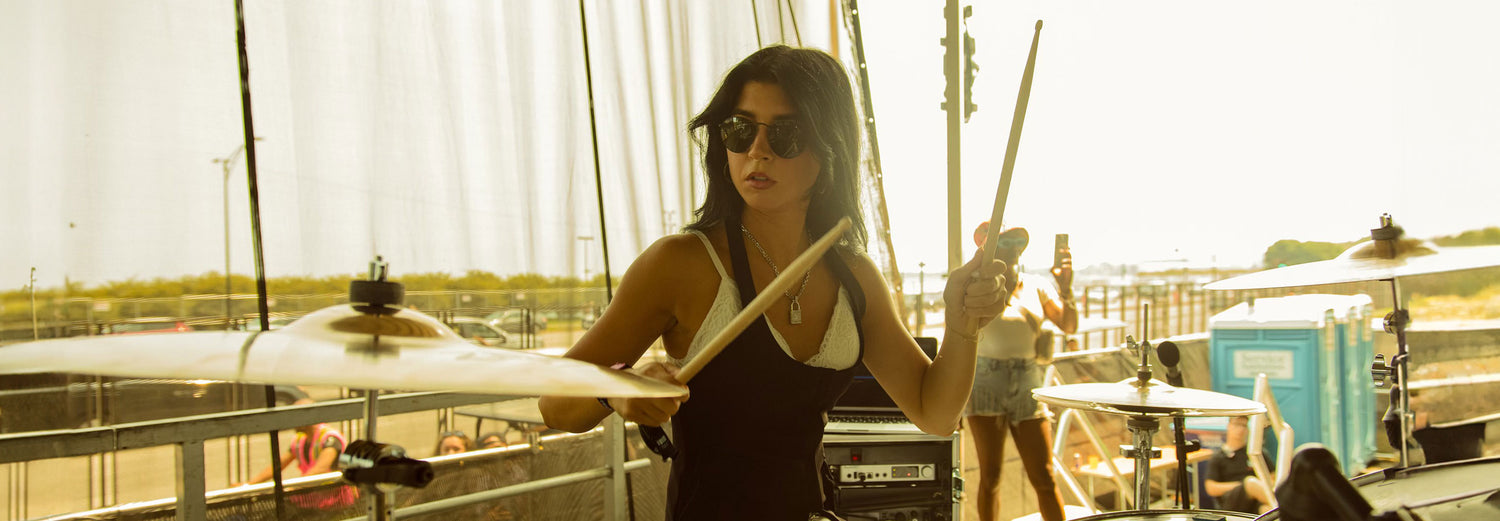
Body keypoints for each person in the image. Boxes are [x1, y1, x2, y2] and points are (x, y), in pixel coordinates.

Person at [538, 45, 1008, 520]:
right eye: (740, 129)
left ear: (830, 150)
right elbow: (554, 403)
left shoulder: (854, 275)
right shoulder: (679, 264)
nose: (756, 150)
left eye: (786, 134)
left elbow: (935, 412)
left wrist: (962, 326)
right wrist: (619, 387)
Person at [964, 222, 1077, 521]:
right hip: (985, 379)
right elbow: (958, 334)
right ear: (987, 247)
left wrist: (1066, 289)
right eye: (1004, 242)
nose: (1013, 248)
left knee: (1044, 475)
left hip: (1027, 379)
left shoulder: (1036, 285)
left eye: (1017, 242)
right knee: (991, 477)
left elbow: (1069, 325)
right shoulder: (975, 284)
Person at [241, 398, 359, 510]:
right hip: (313, 502)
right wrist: (249, 485)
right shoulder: (300, 440)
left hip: (336, 503)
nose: (292, 422)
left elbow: (321, 469)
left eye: (295, 418)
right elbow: (277, 466)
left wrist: (293, 488)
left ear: (307, 418)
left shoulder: (330, 438)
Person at [1204, 415, 1272, 514]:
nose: (1240, 429)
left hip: (1256, 501)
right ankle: (1287, 507)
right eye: (1237, 424)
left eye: (1244, 425)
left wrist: (1257, 487)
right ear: (1229, 426)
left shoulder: (1257, 453)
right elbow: (1211, 488)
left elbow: (1273, 478)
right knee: (1250, 482)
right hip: (1232, 503)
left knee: (1268, 510)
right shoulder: (1218, 457)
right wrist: (1242, 486)